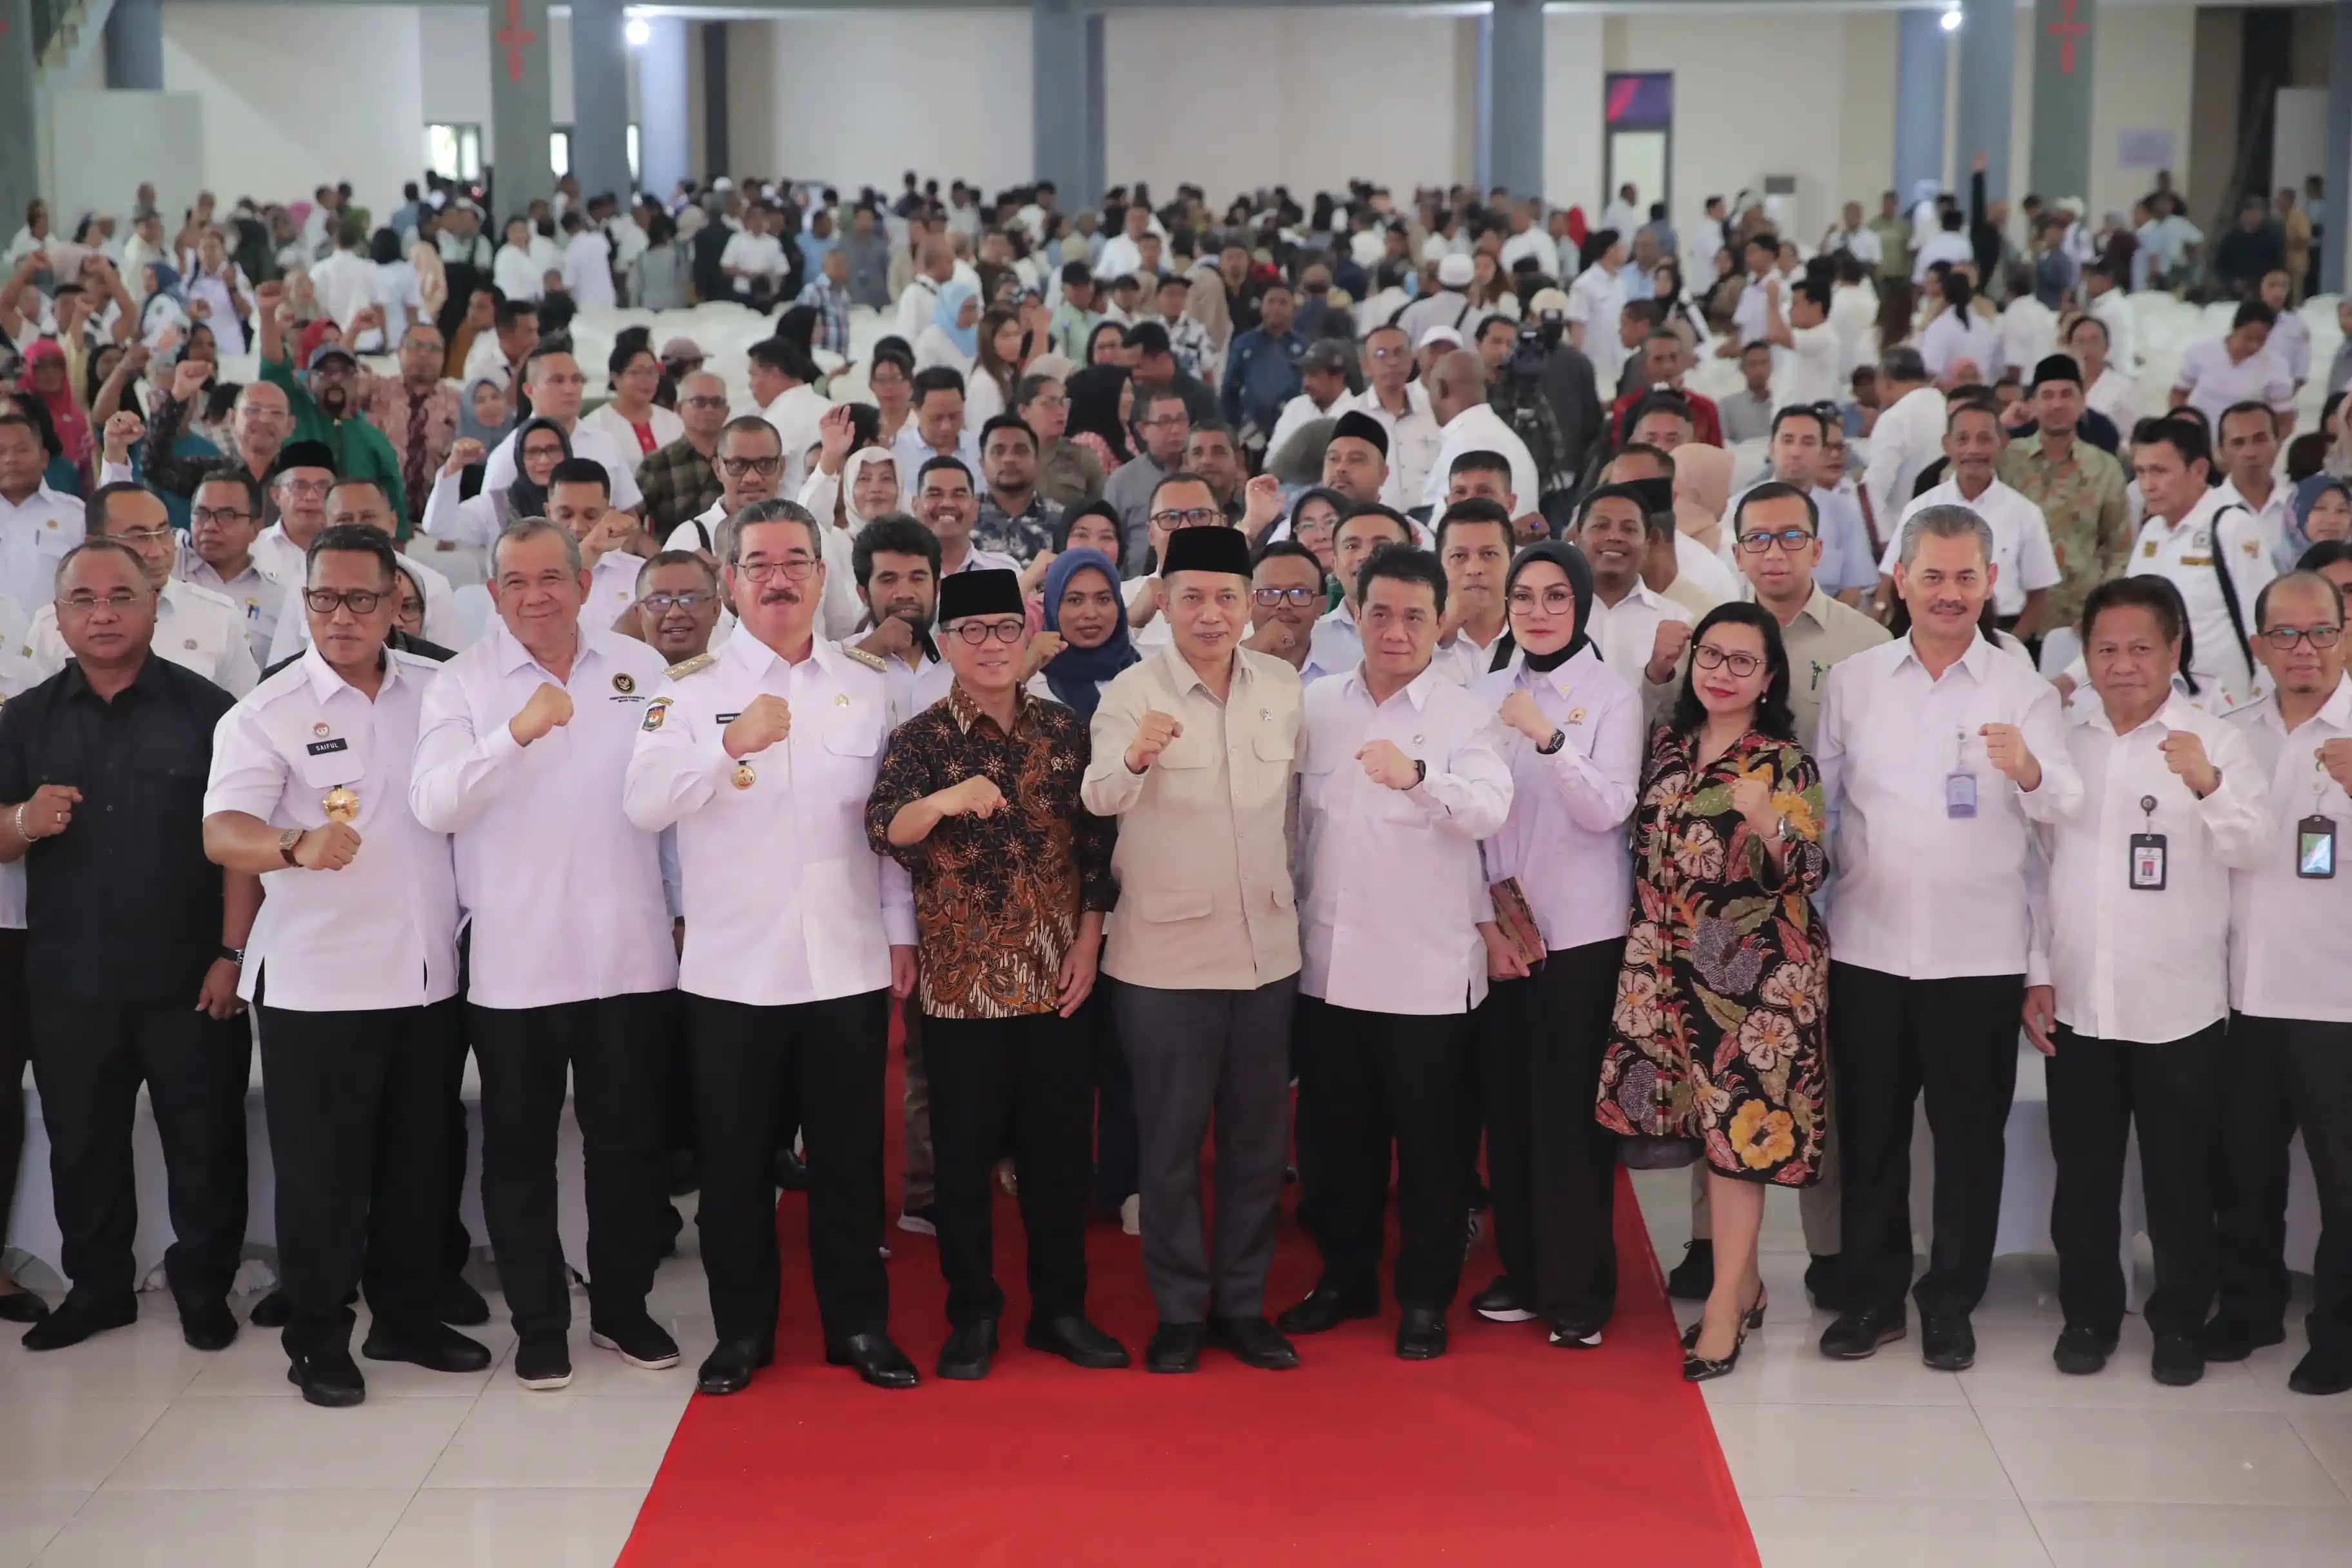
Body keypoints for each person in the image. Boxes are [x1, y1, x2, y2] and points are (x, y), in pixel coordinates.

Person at [622, 499, 920, 1395]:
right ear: (731, 582)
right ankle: (742, 1334)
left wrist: (902, 935)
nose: (779, 578)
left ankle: (860, 1328)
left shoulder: (870, 683)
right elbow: (642, 806)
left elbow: (889, 828)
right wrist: (726, 751)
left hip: (846, 962)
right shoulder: (689, 689)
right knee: (736, 1170)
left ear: (823, 578)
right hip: (732, 973)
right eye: (759, 564)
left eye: (796, 561)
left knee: (850, 1164)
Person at [201, 524, 487, 1407]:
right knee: (323, 1178)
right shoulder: (265, 711)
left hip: (428, 978)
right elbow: (223, 832)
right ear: (306, 599)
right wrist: (293, 841)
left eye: (363, 598)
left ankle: (405, 1317)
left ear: (398, 602)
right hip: (317, 988)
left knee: (419, 1163)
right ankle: (319, 1336)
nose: (342, 615)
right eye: (324, 597)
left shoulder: (442, 691)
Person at [407, 517, 679, 1389]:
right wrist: (516, 733)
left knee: (629, 1145)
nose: (536, 596)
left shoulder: (641, 671)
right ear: (493, 596)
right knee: (519, 1151)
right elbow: (435, 804)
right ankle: (540, 1322)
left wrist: (684, 917)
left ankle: (624, 1307)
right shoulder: (462, 684)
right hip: (517, 961)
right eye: (516, 582)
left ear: (585, 585)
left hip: (633, 954)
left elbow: (670, 813)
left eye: (551, 578)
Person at [1814, 504, 2083, 1373]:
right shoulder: (1855, 683)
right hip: (1867, 950)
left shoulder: (2024, 689)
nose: (1949, 593)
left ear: (1992, 583)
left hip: (1980, 955)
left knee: (1969, 1140)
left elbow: (2059, 826)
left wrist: (2032, 770)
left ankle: (1951, 1302)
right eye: (1932, 575)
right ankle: (1873, 1295)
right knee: (1873, 1131)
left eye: (1967, 577)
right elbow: (1819, 819)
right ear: (1901, 577)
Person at [866, 567, 1127, 1380]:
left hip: (1057, 984)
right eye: (971, 630)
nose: (989, 644)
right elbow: (884, 830)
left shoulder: (1063, 730)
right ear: (945, 643)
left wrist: (1089, 943)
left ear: (1027, 638)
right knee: (962, 1163)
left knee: (1059, 1162)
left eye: (1004, 629)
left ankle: (1061, 1310)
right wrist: (944, 800)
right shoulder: (919, 740)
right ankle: (973, 1311)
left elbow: (1095, 851)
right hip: (958, 990)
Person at [0, 538, 250, 1353]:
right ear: (59, 615)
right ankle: (99, 1288)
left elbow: (241, 843)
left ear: (154, 604)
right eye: (84, 600)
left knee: (207, 1143)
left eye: (120, 597)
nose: (102, 613)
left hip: (190, 973)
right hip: (71, 975)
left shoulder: (213, 713)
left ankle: (205, 1288)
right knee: (83, 1143)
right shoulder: (25, 717)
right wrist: (23, 821)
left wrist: (231, 953)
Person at [1081, 524, 1304, 1374]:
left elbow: (1298, 814)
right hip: (1164, 964)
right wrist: (1136, 759)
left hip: (1266, 956)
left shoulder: (1283, 687)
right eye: (1191, 597)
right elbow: (1097, 795)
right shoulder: (1131, 692)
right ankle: (1179, 1311)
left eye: (1226, 597)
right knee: (1168, 1151)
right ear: (1164, 605)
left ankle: (1242, 1306)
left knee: (1256, 1148)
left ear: (1249, 606)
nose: (1209, 614)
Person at [1278, 546, 1510, 1360]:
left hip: (1428, 972)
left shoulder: (1468, 710)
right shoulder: (1317, 704)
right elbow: (1297, 832)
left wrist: (1416, 776)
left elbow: (1487, 810)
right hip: (1329, 967)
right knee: (1337, 1145)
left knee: (1433, 1150)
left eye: (1415, 614)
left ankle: (1424, 1297)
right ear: (1355, 610)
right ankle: (1344, 1278)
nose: (1397, 629)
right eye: (1380, 611)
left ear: (1440, 619)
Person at [2035, 575, 2264, 1387]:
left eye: (2140, 648)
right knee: (2086, 1173)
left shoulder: (2215, 738)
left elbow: (2252, 847)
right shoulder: (2068, 738)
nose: (2122, 664)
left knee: (2179, 1178)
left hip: (2180, 1004)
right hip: (2082, 997)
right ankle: (2090, 1316)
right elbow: (2038, 866)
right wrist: (2036, 973)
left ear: (2174, 650)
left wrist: (2208, 781)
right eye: (2106, 648)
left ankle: (2177, 1322)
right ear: (2085, 656)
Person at [1598, 600, 1830, 1379]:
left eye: (1742, 660)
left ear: (1769, 677)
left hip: (1756, 985)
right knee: (1707, 1137)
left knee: (1740, 1142)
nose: (1721, 672)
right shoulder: (1666, 747)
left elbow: (1810, 870)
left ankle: (1727, 1303)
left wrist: (1769, 824)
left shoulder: (1784, 760)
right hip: (1666, 973)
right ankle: (1749, 1281)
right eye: (1711, 654)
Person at [2210, 569, 2352, 1395]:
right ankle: (2251, 1306)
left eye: (2321, 632)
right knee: (2243, 1168)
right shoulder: (2232, 733)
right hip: (2242, 993)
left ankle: (2337, 1330)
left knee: (2344, 1182)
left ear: (2344, 630)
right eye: (2286, 634)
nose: (2304, 649)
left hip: (2337, 998)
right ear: (2260, 642)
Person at [21, 482, 257, 696]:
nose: (158, 551)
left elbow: (246, 714)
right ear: (95, 543)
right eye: (139, 537)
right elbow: (32, 719)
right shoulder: (52, 625)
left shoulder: (218, 616)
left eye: (164, 533)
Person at [1879, 402, 2062, 639]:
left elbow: (2039, 595)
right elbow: (1892, 577)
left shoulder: (2025, 513)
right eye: (1963, 439)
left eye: (1985, 439)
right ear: (1947, 445)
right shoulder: (1920, 507)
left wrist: (2009, 648)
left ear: (2003, 444)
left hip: (2003, 634)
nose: (1973, 450)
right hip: (1930, 632)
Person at [1998, 355, 2134, 660]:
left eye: (2066, 395)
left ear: (2083, 400)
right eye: (2047, 396)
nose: (2057, 405)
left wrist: (2102, 611)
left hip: (2078, 625)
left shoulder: (2105, 468)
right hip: (2011, 621)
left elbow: (2120, 550)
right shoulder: (2007, 459)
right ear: (2031, 403)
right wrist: (2000, 427)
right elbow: (1956, 480)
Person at [477, 344, 647, 514]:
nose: (570, 389)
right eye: (557, 381)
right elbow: (491, 524)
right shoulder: (507, 455)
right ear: (529, 390)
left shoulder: (605, 442)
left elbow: (629, 515)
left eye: (576, 380)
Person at [1574, 482, 1692, 711]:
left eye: (1629, 529)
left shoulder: (1679, 620)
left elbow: (1681, 714)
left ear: (1648, 545)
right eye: (1601, 526)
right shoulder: (1550, 614)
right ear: (1577, 539)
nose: (1615, 536)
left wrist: (1658, 675)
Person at [2171, 302, 2296, 438]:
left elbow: (2285, 417)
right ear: (2235, 328)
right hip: (2201, 436)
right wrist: (2181, 429)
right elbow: (2179, 394)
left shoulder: (2274, 365)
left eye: (2261, 339)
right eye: (2248, 338)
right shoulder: (2201, 352)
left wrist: (2271, 447)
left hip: (2244, 443)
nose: (2254, 345)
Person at [636, 371, 730, 540]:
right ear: (679, 409)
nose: (709, 409)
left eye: (717, 403)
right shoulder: (657, 463)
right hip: (674, 560)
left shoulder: (739, 461)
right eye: (699, 402)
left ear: (727, 411)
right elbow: (630, 520)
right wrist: (658, 554)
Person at [583, 336, 685, 478]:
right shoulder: (594, 426)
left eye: (651, 372)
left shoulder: (674, 422)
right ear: (615, 378)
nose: (647, 380)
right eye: (636, 372)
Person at [974, 414, 1062, 563]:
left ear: (1037, 462)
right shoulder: (965, 519)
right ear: (982, 464)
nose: (1009, 459)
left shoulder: (1061, 520)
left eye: (1020, 450)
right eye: (998, 451)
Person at [1015, 374, 1104, 508]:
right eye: (1049, 403)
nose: (1061, 411)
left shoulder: (1082, 457)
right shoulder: (1010, 457)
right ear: (1024, 411)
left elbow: (1104, 509)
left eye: (1064, 403)